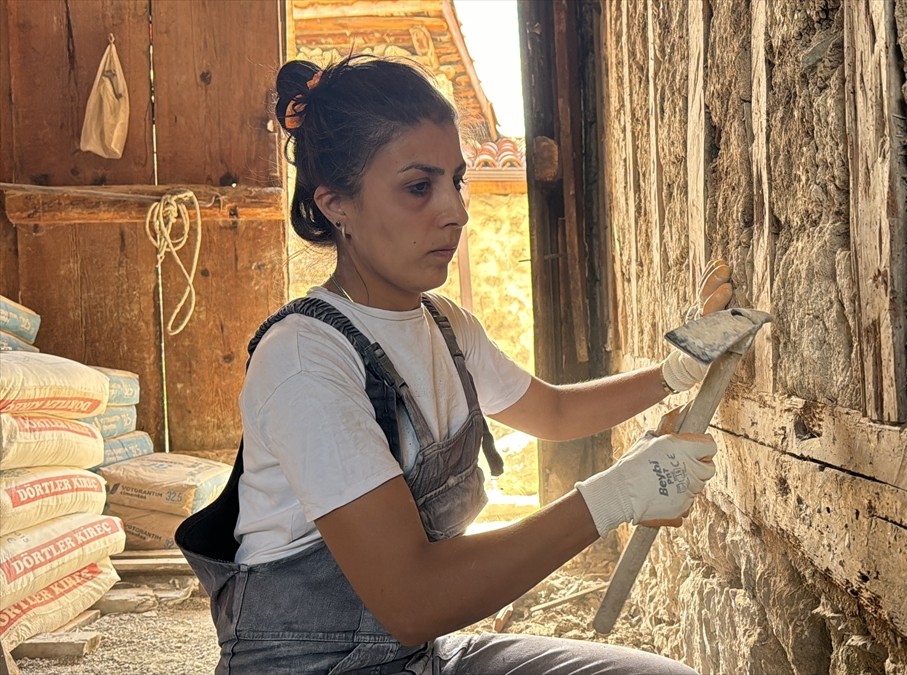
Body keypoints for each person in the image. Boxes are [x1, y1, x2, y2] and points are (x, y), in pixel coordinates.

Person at [177, 54, 733, 675]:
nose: (457, 211)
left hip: (420, 657)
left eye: (456, 181)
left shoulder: (446, 327)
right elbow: (412, 599)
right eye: (419, 187)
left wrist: (674, 371)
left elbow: (552, 412)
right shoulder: (306, 359)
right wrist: (617, 495)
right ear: (336, 204)